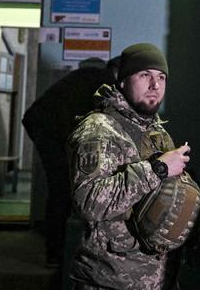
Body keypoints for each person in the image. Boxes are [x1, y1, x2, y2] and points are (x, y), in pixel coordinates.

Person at [66, 43, 191, 289]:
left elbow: (160, 197)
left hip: (155, 277)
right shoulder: (99, 129)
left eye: (161, 77)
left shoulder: (156, 131)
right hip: (112, 279)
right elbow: (88, 201)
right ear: (122, 82)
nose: (155, 85)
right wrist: (157, 169)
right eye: (144, 75)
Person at [22, 56, 120, 266]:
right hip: (55, 134)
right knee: (63, 191)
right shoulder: (106, 83)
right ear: (117, 71)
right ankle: (58, 253)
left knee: (61, 190)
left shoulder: (81, 77)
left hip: (45, 129)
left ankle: (55, 252)